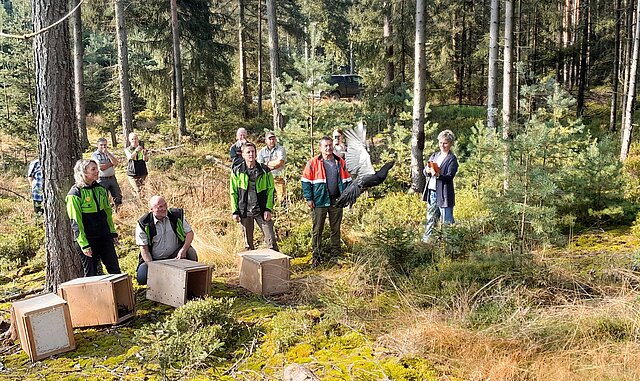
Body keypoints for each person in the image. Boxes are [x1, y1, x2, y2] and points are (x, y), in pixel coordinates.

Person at [301, 136, 352, 267]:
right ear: (321, 148)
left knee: (335, 229)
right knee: (317, 229)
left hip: (337, 200)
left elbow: (347, 181)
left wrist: (346, 197)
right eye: (325, 146)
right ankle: (316, 257)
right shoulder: (313, 163)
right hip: (319, 201)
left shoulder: (340, 162)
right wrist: (309, 198)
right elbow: (305, 182)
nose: (328, 148)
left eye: (330, 145)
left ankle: (335, 255)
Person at [66, 159, 121, 277]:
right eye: (93, 169)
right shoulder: (75, 194)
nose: (97, 171)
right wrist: (84, 244)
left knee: (115, 270)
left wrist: (112, 233)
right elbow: (76, 221)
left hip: (104, 237)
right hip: (88, 240)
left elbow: (107, 213)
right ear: (83, 172)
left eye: (97, 168)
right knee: (91, 274)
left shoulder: (101, 189)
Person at [135, 195, 198, 285]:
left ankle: (191, 281)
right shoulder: (143, 223)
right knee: (142, 278)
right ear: (151, 209)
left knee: (191, 252)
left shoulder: (176, 216)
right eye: (159, 207)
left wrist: (183, 250)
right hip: (155, 259)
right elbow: (144, 249)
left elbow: (189, 233)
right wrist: (153, 267)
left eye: (165, 205)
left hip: (175, 256)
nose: (164, 208)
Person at [230, 142, 278, 251]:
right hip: (245, 211)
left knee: (271, 240)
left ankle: (276, 266)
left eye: (253, 151)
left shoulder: (265, 170)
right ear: (243, 154)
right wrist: (235, 211)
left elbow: (270, 191)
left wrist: (268, 209)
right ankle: (250, 268)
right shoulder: (237, 171)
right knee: (248, 245)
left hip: (261, 210)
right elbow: (233, 193)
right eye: (248, 152)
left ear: (256, 153)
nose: (251, 154)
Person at [422, 129, 459, 243]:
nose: (442, 145)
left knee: (446, 219)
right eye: (440, 143)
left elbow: (449, 176)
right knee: (431, 219)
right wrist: (427, 170)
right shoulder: (434, 155)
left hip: (444, 194)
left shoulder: (452, 159)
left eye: (445, 143)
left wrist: (438, 175)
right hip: (432, 192)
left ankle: (450, 244)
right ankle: (427, 242)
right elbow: (425, 171)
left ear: (450, 144)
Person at [92, 137, 122, 212]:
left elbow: (116, 162)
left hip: (112, 178)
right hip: (102, 179)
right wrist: (111, 164)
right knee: (103, 197)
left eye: (105, 145)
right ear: (97, 145)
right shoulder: (95, 155)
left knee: (117, 195)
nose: (103, 147)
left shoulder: (109, 153)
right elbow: (100, 167)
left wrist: (108, 154)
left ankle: (118, 211)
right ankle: (105, 212)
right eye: (101, 145)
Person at [257, 131, 287, 205]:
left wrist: (266, 164)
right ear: (266, 141)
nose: (272, 141)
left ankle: (282, 213)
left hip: (278, 177)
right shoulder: (261, 152)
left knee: (282, 198)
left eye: (273, 139)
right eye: (270, 139)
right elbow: (260, 165)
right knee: (268, 198)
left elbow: (280, 162)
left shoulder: (281, 149)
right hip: (266, 178)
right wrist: (271, 164)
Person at [124, 132, 149, 199]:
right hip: (132, 174)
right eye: (132, 139)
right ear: (129, 140)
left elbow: (146, 160)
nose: (134, 140)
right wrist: (136, 151)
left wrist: (145, 154)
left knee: (143, 190)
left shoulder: (142, 148)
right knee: (138, 190)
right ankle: (138, 200)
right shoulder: (127, 149)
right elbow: (130, 157)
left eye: (136, 138)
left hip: (142, 172)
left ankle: (142, 205)